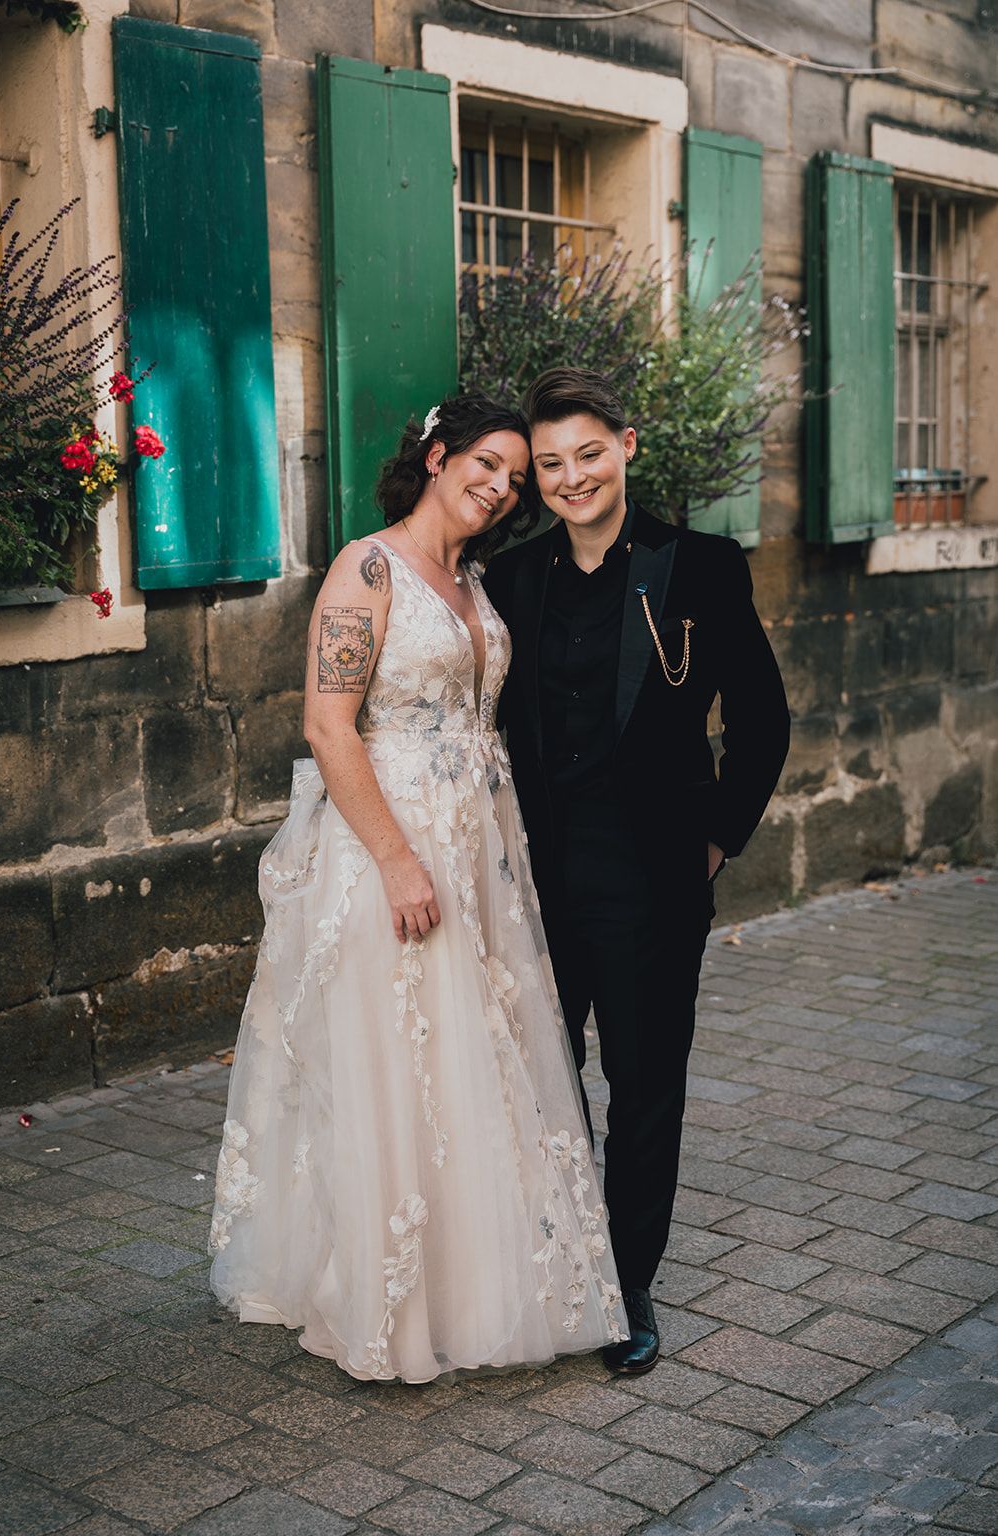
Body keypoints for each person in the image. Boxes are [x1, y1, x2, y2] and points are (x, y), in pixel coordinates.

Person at [209, 392, 626, 1384]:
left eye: (515, 479)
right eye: (486, 462)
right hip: (387, 844)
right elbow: (326, 725)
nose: (499, 486)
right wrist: (398, 860)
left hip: (478, 847)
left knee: (466, 1063)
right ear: (434, 455)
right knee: (396, 1064)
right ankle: (383, 1299)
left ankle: (471, 1280)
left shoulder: (472, 579)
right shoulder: (368, 566)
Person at [484, 368, 790, 1375]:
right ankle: (553, 1261)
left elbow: (760, 715)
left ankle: (624, 1282)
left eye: (587, 452)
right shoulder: (513, 579)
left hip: (650, 877)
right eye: (551, 463)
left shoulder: (696, 564)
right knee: (541, 1081)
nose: (570, 476)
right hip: (532, 877)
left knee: (643, 1086)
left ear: (625, 444)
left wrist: (716, 836)